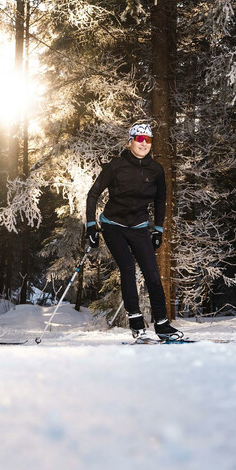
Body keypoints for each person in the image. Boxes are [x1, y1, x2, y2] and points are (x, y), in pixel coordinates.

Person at [85, 121, 182, 340]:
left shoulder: (156, 170)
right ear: (130, 141)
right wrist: (91, 225)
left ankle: (163, 326)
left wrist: (158, 229)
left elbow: (160, 200)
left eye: (147, 140)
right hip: (113, 225)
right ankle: (136, 322)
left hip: (138, 227)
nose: (144, 143)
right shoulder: (116, 166)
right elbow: (93, 194)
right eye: (139, 139)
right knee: (127, 268)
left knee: (152, 275)